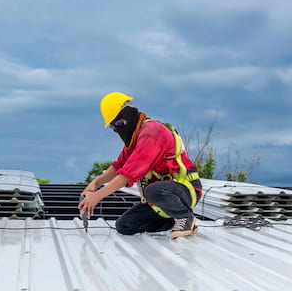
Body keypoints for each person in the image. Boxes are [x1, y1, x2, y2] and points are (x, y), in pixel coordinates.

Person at [79, 92, 203, 239]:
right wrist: (95, 183)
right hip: (161, 198)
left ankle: (185, 217)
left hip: (184, 190)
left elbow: (127, 175)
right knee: (124, 226)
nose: (117, 130)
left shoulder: (152, 133)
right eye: (113, 127)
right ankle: (173, 221)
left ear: (124, 120)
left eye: (116, 125)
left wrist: (97, 196)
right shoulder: (135, 138)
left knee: (152, 191)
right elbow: (119, 166)